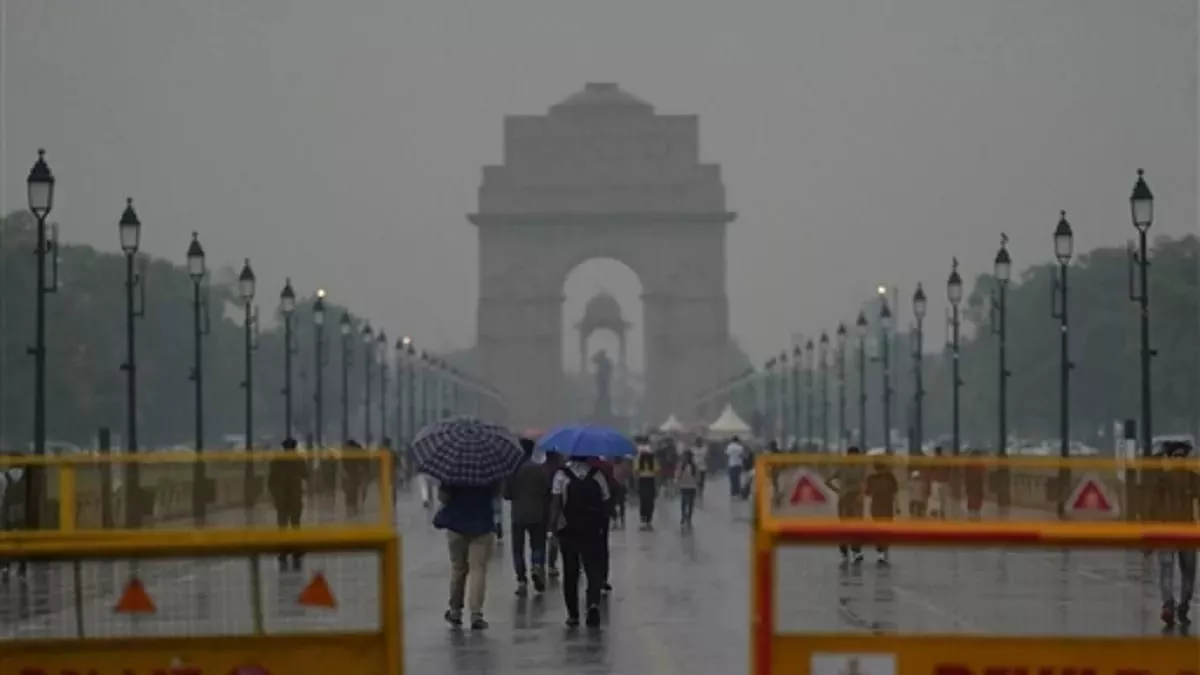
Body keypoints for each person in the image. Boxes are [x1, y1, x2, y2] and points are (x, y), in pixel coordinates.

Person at [548, 454, 611, 628]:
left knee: (571, 572)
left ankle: (573, 614)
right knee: (593, 569)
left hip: (569, 531)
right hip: (591, 530)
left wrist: (552, 529)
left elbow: (556, 504)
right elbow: (606, 501)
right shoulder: (597, 475)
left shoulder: (561, 475)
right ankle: (592, 604)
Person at [433, 481, 500, 630]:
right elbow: (496, 494)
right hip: (482, 524)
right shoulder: (488, 472)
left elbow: (443, 497)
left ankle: (455, 611)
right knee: (478, 569)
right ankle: (476, 614)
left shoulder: (454, 472)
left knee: (458, 568)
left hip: (456, 525)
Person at [1150, 440, 1198, 627]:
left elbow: (1152, 505)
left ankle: (1170, 605)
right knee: (1187, 572)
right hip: (1184, 531)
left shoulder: (1163, 479)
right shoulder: (1192, 478)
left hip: (1168, 530)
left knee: (1168, 570)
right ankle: (1181, 606)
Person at [505, 438, 551, 596]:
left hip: (518, 514)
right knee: (537, 544)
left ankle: (521, 580)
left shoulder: (512, 470)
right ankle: (537, 566)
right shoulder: (539, 469)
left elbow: (506, 494)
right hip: (538, 513)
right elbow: (548, 490)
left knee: (518, 549)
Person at [268, 437, 309, 570]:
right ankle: (297, 549)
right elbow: (306, 475)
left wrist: (275, 495)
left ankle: (283, 551)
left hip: (282, 498)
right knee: (295, 524)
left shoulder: (277, 460)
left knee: (282, 525)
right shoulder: (299, 460)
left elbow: (271, 480)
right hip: (294, 497)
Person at [827, 446, 866, 564]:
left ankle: (855, 551)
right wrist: (837, 491)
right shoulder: (854, 468)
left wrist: (838, 491)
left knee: (855, 526)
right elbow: (828, 480)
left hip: (852, 499)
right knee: (846, 526)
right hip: (848, 499)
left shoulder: (857, 468)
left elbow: (864, 483)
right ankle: (846, 551)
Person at [865, 457, 899, 565]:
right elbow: (894, 493)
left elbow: (867, 493)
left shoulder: (872, 478)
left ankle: (881, 552)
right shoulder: (890, 478)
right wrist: (897, 506)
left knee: (879, 530)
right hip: (886, 507)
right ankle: (883, 551)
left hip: (877, 508)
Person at [543, 450, 565, 578]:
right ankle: (553, 564)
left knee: (550, 538)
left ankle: (550, 564)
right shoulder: (560, 471)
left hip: (544, 507)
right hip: (558, 507)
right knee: (558, 537)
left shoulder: (542, 469)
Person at [634, 438, 659, 530]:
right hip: (650, 481)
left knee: (643, 501)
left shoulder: (638, 459)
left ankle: (643, 520)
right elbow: (657, 471)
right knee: (650, 502)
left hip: (642, 481)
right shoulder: (652, 460)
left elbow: (635, 472)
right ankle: (649, 521)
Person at [676, 449, 700, 529]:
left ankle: (683, 516)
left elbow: (678, 475)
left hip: (684, 486)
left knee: (684, 502)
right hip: (692, 486)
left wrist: (677, 483)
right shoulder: (694, 465)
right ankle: (688, 517)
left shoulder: (681, 465)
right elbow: (697, 476)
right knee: (690, 503)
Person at [610, 457, 631, 529]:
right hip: (614, 487)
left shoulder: (624, 465)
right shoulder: (611, 465)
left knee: (621, 504)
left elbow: (628, 475)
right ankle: (615, 520)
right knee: (613, 504)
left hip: (621, 487)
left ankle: (621, 521)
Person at [725, 436, 747, 501]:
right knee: (737, 478)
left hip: (732, 464)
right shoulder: (740, 447)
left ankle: (733, 492)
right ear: (737, 440)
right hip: (739, 464)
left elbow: (727, 454)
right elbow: (742, 455)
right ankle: (737, 492)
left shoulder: (729, 446)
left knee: (732, 479)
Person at [690, 437, 708, 503]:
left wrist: (706, 460)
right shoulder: (692, 448)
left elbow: (707, 456)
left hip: (703, 467)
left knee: (702, 481)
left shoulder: (705, 448)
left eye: (700, 442)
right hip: (695, 466)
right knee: (695, 480)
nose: (699, 443)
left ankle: (700, 491)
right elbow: (691, 457)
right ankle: (695, 491)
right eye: (698, 442)